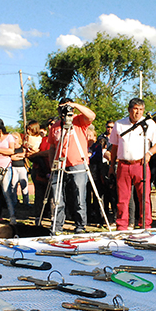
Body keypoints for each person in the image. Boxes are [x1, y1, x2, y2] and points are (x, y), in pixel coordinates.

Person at [47, 99, 95, 234]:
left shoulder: (79, 121)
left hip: (78, 164)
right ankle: (56, 227)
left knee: (79, 195)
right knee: (57, 198)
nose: (66, 112)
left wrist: (74, 106)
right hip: (60, 164)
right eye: (63, 108)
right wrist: (52, 164)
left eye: (68, 108)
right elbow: (52, 147)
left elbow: (91, 116)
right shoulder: (55, 126)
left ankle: (81, 226)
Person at [109, 98, 156, 230]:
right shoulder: (119, 124)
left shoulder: (149, 124)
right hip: (123, 165)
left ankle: (145, 225)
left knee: (144, 198)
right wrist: (111, 166)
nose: (138, 112)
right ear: (129, 110)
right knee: (122, 199)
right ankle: (122, 226)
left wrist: (149, 154)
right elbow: (114, 146)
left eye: (141, 109)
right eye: (135, 109)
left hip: (140, 165)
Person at [9, 131, 30, 209]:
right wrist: (20, 156)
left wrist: (17, 156)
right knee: (13, 186)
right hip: (13, 168)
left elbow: (25, 155)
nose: (14, 139)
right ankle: (14, 202)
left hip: (22, 168)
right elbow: (11, 157)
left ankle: (26, 202)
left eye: (16, 137)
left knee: (24, 185)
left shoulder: (22, 147)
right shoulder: (11, 147)